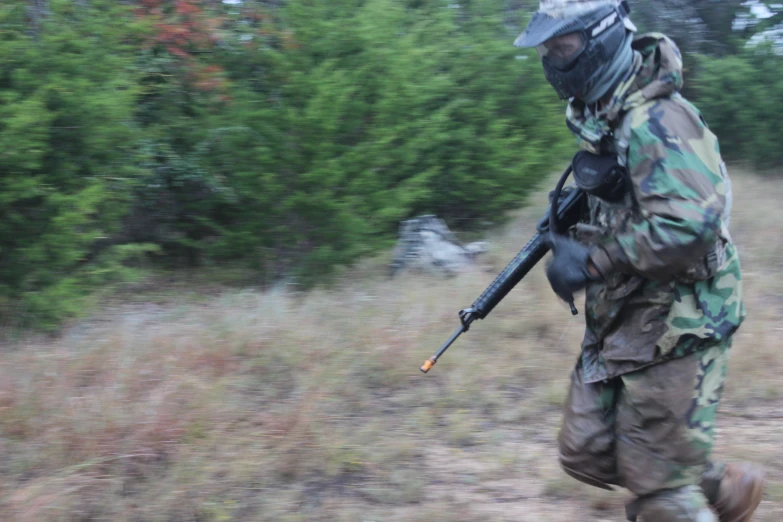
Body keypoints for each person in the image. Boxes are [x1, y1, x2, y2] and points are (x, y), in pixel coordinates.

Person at [514, 1, 766, 521]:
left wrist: (591, 263)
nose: (553, 61)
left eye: (562, 46)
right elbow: (629, 195)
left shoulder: (659, 119)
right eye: (546, 49)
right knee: (586, 448)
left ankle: (675, 492)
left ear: (603, 36)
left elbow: (688, 226)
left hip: (682, 319)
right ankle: (718, 484)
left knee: (661, 497)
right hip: (625, 314)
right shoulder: (602, 109)